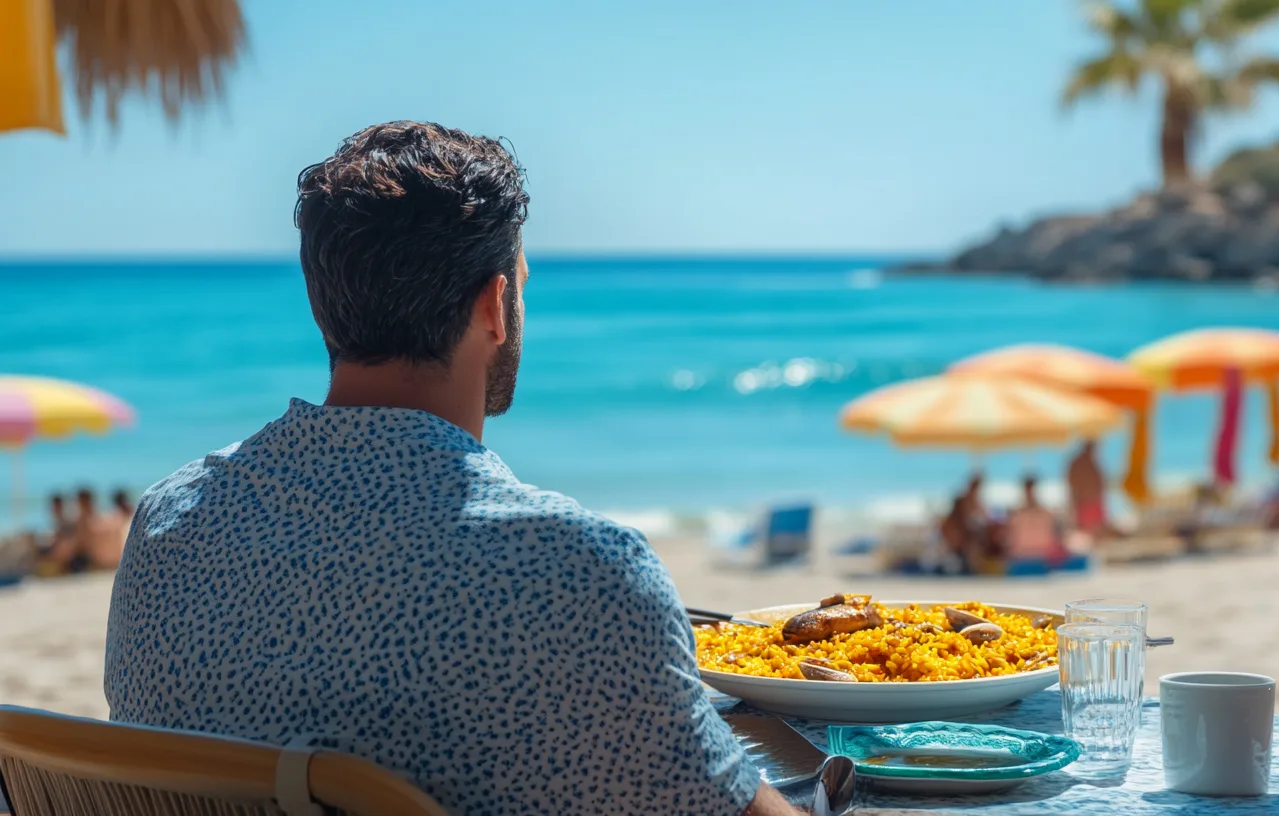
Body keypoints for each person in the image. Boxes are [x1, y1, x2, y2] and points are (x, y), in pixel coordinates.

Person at [105, 122, 794, 816]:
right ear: (494, 306)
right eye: (520, 287)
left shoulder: (170, 522)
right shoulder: (578, 575)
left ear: (324, 305)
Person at [1005, 475, 1060, 562]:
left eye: (1031, 489)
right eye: (1028, 489)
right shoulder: (1017, 514)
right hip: (1022, 555)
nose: (1030, 492)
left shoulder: (1045, 514)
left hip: (1041, 554)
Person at [1066, 440, 1107, 538]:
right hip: (1085, 504)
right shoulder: (1083, 463)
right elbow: (1073, 487)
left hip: (1090, 504)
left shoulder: (1090, 462)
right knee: (1088, 537)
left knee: (1092, 537)